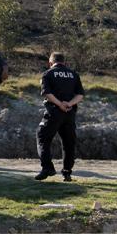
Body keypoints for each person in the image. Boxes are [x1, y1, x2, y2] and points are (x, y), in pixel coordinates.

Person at [35, 52, 84, 182]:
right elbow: (80, 95)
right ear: (64, 62)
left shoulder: (48, 73)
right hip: (69, 113)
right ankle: (67, 172)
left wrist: (59, 104)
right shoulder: (73, 74)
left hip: (54, 112)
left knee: (42, 137)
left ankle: (47, 168)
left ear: (50, 63)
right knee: (68, 143)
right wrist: (69, 104)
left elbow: (47, 93)